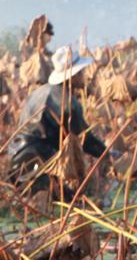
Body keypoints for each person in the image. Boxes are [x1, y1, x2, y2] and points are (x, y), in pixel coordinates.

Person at [8, 45, 107, 195]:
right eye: (81, 72)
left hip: (17, 157)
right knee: (73, 201)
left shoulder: (40, 92)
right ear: (72, 76)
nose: (84, 75)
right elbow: (84, 140)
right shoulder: (67, 102)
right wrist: (106, 155)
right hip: (40, 159)